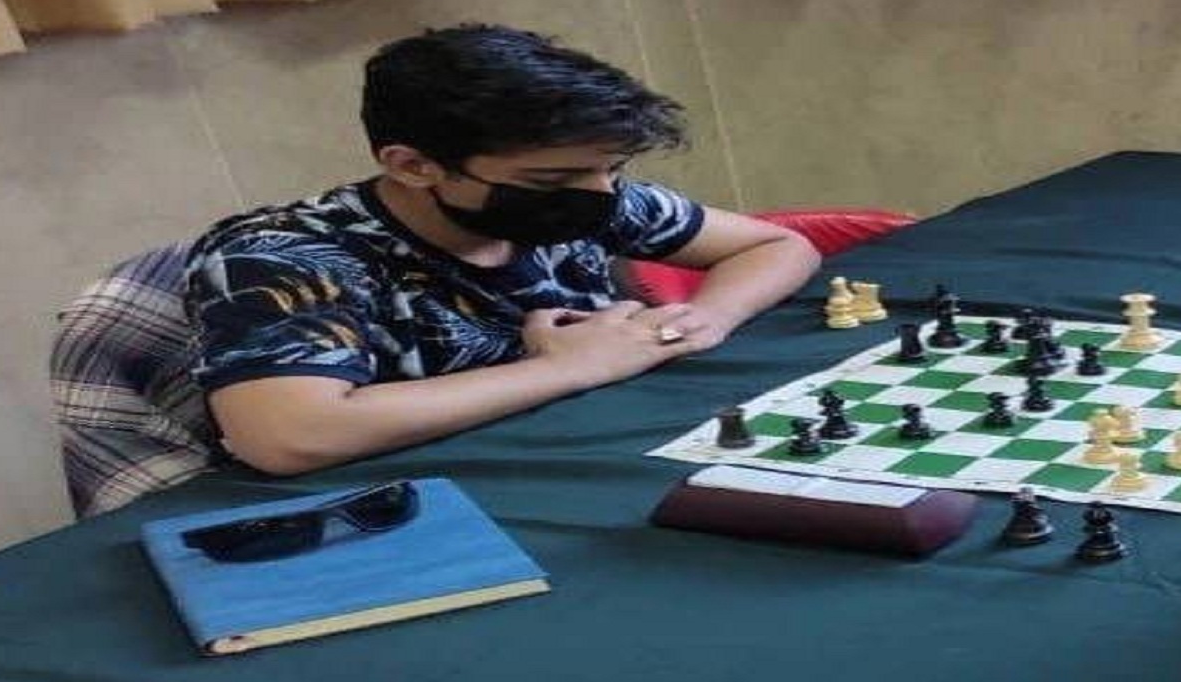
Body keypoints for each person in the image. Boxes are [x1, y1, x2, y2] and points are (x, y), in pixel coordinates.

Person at [184, 24, 819, 476]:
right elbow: (288, 436)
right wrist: (569, 368)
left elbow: (777, 246)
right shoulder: (286, 254)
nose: (601, 195)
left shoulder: (587, 192)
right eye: (553, 179)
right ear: (413, 166)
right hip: (412, 501)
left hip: (583, 455)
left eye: (612, 169)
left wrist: (705, 318)